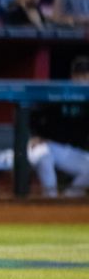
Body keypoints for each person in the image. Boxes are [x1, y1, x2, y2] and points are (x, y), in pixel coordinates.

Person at [28, 56, 89, 198]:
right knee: (42, 155)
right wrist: (35, 135)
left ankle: (68, 199)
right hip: (51, 145)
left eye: (86, 76)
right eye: (80, 75)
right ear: (73, 76)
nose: (83, 80)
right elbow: (31, 114)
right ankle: (51, 198)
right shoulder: (59, 92)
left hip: (74, 151)